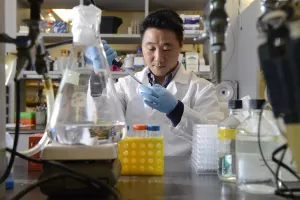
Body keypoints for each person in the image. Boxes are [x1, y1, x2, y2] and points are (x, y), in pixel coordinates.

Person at [86, 9, 224, 156]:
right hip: (134, 169)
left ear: (181, 45)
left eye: (166, 48)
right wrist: (98, 73)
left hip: (182, 173)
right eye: (151, 48)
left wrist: (176, 111)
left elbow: (216, 139)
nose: (158, 58)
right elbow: (100, 123)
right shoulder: (126, 85)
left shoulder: (202, 88)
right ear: (142, 46)